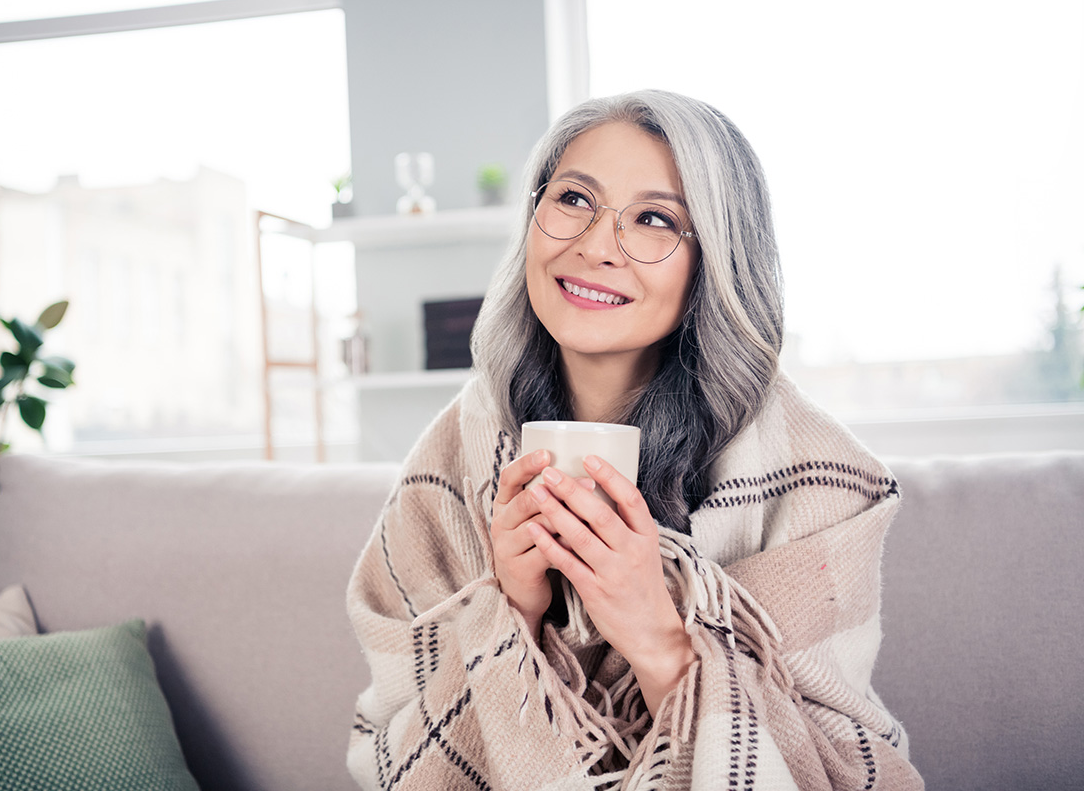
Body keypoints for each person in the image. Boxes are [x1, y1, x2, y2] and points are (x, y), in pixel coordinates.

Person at [346, 90, 924, 790]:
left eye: (653, 219)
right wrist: (512, 614)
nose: (594, 246)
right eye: (573, 200)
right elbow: (392, 755)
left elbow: (839, 766)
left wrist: (656, 637)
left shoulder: (819, 481)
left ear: (714, 259)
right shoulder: (449, 461)